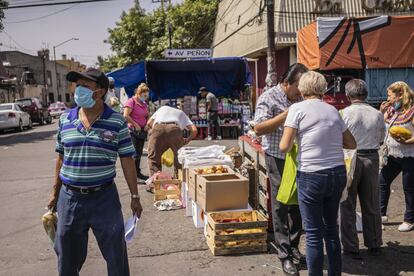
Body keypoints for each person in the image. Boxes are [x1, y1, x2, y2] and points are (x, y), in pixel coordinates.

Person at [47, 68, 143, 276]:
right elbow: (60, 158)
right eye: (77, 85)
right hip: (70, 198)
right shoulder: (64, 120)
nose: (78, 90)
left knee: (116, 255)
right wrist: (55, 194)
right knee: (67, 258)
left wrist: (135, 195)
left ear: (99, 92)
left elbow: (127, 159)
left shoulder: (117, 121)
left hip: (104, 198)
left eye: (84, 86)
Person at [279, 71, 356, 276]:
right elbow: (351, 143)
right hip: (336, 173)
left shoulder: (296, 109)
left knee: (313, 234)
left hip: (311, 175)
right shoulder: (332, 110)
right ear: (323, 88)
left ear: (302, 89)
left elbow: (284, 146)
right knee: (332, 230)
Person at [254, 63, 308, 276]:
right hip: (278, 157)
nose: (300, 93)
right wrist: (288, 114)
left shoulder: (301, 98)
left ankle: (294, 246)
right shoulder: (268, 97)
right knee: (280, 204)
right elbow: (258, 128)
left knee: (298, 203)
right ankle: (284, 254)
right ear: (286, 83)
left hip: (299, 157)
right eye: (298, 87)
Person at [340, 79, 385, 259]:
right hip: (372, 158)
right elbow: (381, 138)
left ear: (348, 95)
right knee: (372, 203)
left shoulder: (343, 113)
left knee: (347, 203)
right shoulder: (377, 114)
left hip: (349, 158)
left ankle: (351, 247)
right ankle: (374, 243)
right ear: (365, 94)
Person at [379, 81, 414, 232]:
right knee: (382, 182)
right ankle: (380, 215)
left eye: (390, 95)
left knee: (409, 188)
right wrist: (381, 112)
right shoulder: (392, 110)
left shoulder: (412, 111)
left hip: (409, 156)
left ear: (400, 95)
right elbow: (380, 124)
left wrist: (407, 141)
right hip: (392, 155)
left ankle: (409, 219)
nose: (388, 98)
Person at [146, 104, 198, 177]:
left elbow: (149, 123)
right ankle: (179, 180)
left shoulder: (162, 108)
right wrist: (187, 140)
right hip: (174, 129)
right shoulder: (181, 113)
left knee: (153, 157)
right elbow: (194, 130)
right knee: (179, 157)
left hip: (158, 127)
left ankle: (154, 183)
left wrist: (157, 132)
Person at [123, 83, 150, 181]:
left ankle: (138, 173)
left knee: (139, 153)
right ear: (139, 93)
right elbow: (126, 115)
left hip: (142, 132)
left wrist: (147, 124)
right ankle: (134, 176)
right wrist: (136, 124)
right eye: (144, 95)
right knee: (135, 154)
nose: (145, 97)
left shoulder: (144, 104)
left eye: (147, 95)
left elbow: (147, 115)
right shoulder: (131, 101)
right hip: (133, 131)